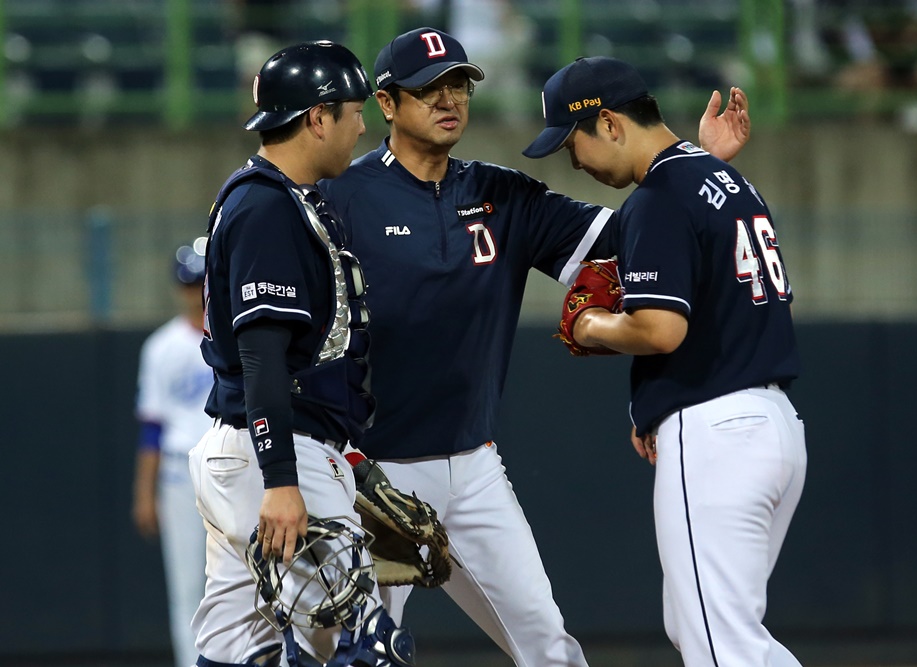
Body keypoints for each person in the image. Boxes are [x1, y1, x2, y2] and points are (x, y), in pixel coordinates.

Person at [318, 26, 750, 666]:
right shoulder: (340, 197)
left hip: (473, 466)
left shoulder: (502, 193)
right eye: (428, 88)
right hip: (369, 471)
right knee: (347, 653)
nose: (449, 99)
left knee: (548, 645)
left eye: (459, 84)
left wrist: (700, 166)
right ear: (386, 103)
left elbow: (639, 234)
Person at [522, 56, 806, 666]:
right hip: (770, 425)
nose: (574, 162)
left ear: (610, 123)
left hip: (718, 433)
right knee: (696, 624)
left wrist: (589, 323)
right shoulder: (723, 181)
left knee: (721, 642)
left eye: (574, 143)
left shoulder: (658, 197)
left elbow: (660, 328)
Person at [189, 41, 414, 667]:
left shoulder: (279, 196)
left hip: (251, 448)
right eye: (352, 110)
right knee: (365, 643)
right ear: (318, 117)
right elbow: (264, 358)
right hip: (274, 453)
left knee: (241, 652)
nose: (362, 124)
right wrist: (284, 478)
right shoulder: (267, 207)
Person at [131, 240, 213, 667]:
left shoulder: (237, 338)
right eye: (188, 283)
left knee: (248, 580)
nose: (194, 291)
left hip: (230, 469)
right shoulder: (161, 348)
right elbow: (152, 428)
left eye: (200, 281)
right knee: (187, 586)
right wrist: (145, 493)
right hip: (180, 475)